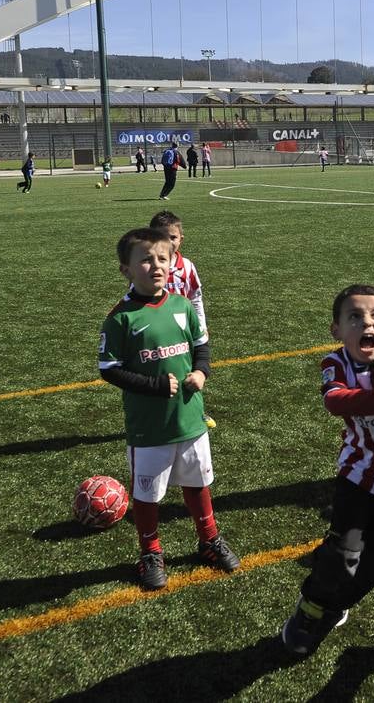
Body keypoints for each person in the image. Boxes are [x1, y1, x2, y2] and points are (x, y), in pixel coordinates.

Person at [280, 284, 374, 657]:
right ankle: (310, 612)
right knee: (343, 553)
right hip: (358, 476)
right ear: (337, 331)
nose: (366, 322)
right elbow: (336, 400)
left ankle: (336, 603)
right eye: (354, 317)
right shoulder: (336, 363)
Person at [98, 227, 241, 589]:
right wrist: (155, 386)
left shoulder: (181, 305)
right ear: (126, 270)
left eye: (163, 258)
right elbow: (109, 370)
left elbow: (201, 346)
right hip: (149, 427)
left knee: (198, 483)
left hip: (190, 418)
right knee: (147, 494)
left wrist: (200, 372)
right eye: (145, 259)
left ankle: (209, 540)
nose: (156, 265)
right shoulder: (120, 318)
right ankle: (150, 552)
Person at [149, 210, 218, 431]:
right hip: (159, 331)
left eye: (172, 237)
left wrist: (201, 324)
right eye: (161, 237)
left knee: (192, 373)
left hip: (185, 330)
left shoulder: (187, 266)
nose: (168, 242)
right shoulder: (149, 267)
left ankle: (196, 412)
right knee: (163, 372)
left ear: (181, 239)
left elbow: (196, 296)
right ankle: (161, 414)